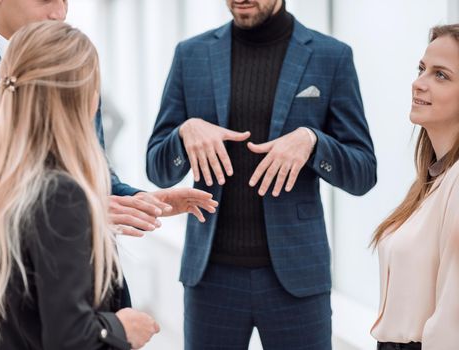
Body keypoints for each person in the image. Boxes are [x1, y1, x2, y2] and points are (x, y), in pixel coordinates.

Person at [0, 20, 213, 350]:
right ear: (83, 97)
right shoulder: (60, 196)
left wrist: (141, 200)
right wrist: (121, 327)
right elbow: (69, 339)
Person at [146, 0, 377, 348]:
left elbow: (362, 173)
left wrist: (313, 142)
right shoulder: (190, 55)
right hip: (210, 278)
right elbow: (157, 169)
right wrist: (184, 133)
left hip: (297, 279)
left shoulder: (332, 57)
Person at [370, 24, 459, 350]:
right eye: (422, 69)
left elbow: (453, 323)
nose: (418, 83)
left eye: (441, 75)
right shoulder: (434, 179)